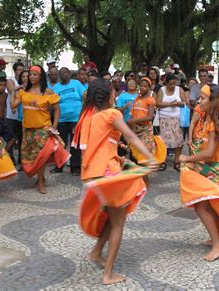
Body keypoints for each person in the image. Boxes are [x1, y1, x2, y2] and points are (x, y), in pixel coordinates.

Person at [72, 78, 158, 285]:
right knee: (119, 222)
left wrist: (119, 156)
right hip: (106, 173)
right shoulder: (112, 114)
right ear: (109, 95)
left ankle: (96, 252)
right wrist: (150, 157)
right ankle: (108, 274)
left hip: (92, 174)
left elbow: (98, 145)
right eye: (113, 92)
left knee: (112, 217)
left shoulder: (88, 117)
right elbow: (131, 135)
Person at [179, 84, 219, 260]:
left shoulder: (216, 121)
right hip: (212, 168)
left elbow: (209, 153)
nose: (198, 100)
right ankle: (214, 239)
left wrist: (187, 159)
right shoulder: (210, 117)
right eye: (199, 97)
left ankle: (217, 246)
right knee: (208, 206)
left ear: (213, 101)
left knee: (202, 206)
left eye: (202, 98)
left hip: (218, 170)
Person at [10, 65, 69, 194]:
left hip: (43, 128)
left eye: (34, 74)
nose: (31, 77)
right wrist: (12, 92)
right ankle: (41, 178)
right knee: (30, 156)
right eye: (30, 74)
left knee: (41, 156)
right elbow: (13, 105)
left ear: (41, 76)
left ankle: (40, 182)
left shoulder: (47, 92)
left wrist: (54, 126)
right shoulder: (24, 91)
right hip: (27, 129)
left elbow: (57, 110)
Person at [53, 67, 86, 175]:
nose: (63, 75)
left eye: (65, 72)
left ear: (69, 73)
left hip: (75, 119)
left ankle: (75, 167)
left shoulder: (76, 84)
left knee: (74, 143)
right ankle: (59, 166)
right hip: (61, 119)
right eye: (61, 73)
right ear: (59, 75)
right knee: (60, 143)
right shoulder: (56, 87)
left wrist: (82, 116)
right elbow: (53, 104)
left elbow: (85, 98)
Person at [128, 77, 165, 169]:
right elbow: (133, 113)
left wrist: (134, 121)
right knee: (135, 152)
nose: (142, 88)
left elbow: (150, 117)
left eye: (145, 86)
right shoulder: (137, 98)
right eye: (141, 86)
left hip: (145, 130)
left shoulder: (150, 100)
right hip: (135, 129)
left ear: (149, 88)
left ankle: (144, 176)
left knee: (144, 152)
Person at [156, 72, 187, 171]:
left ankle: (177, 161)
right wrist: (170, 104)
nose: (173, 86)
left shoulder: (179, 89)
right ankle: (163, 160)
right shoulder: (162, 90)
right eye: (171, 84)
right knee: (164, 141)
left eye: (174, 84)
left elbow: (184, 102)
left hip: (177, 119)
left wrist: (178, 103)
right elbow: (158, 103)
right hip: (164, 119)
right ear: (166, 83)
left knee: (178, 141)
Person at [6, 62, 25, 163]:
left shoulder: (27, 82)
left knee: (22, 138)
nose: (21, 72)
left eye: (22, 69)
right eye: (19, 70)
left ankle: (21, 158)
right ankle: (10, 157)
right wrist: (22, 86)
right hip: (11, 115)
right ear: (15, 71)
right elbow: (11, 89)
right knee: (11, 138)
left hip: (22, 115)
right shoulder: (11, 80)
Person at [0, 77, 16, 153]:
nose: (2, 87)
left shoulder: (6, 95)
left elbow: (8, 106)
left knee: (12, 138)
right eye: (0, 85)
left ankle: (3, 154)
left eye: (4, 85)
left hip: (3, 119)